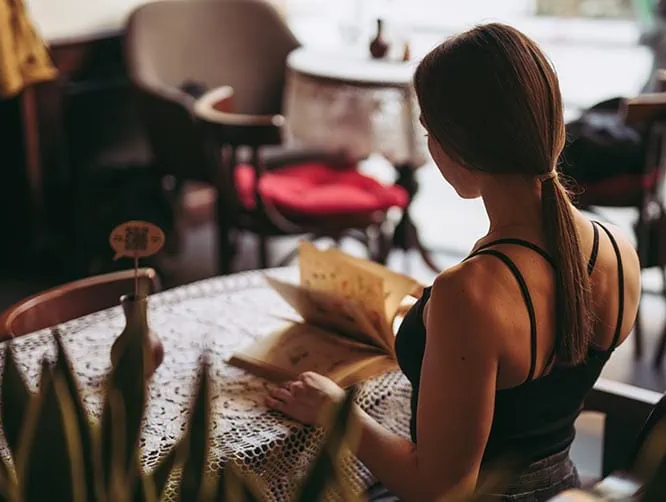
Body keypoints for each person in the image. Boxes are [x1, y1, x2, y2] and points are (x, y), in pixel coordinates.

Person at [266, 23, 642, 501]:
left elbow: (440, 488)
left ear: (455, 147)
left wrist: (334, 410)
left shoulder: (471, 292)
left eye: (429, 132)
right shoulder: (619, 250)